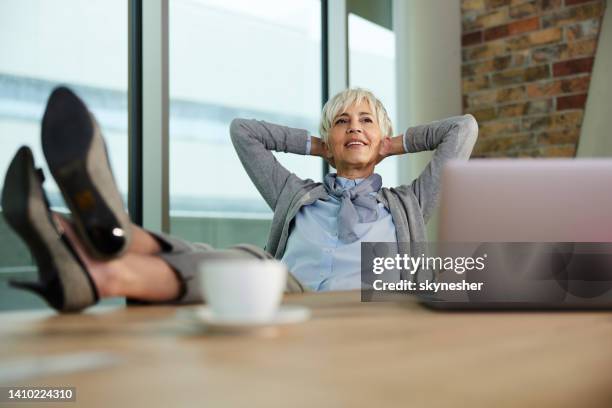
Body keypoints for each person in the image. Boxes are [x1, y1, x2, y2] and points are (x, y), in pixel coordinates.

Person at [1, 87, 478, 312]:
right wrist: (315, 144)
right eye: (341, 122)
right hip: (286, 301)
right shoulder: (297, 195)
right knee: (247, 265)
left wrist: (394, 143)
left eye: (367, 121)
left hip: (372, 313)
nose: (354, 126)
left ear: (384, 139)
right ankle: (102, 257)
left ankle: (87, 247)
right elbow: (243, 132)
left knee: (242, 264)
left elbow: (463, 130)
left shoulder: (409, 203)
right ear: (327, 140)